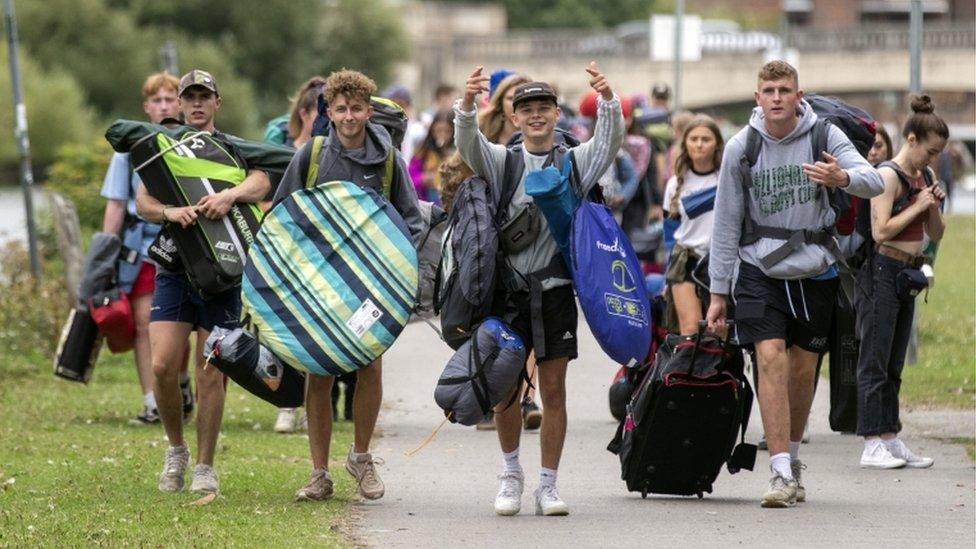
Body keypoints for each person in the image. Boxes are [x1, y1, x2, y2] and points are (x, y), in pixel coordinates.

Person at [706, 60, 883, 508]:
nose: (778, 97)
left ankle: (795, 457)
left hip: (814, 266)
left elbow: (875, 180)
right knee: (769, 358)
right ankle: (780, 470)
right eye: (769, 90)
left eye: (785, 89)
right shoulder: (741, 147)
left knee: (803, 369)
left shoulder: (824, 136)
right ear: (757, 97)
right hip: (757, 267)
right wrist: (718, 292)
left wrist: (841, 177)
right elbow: (726, 223)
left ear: (799, 95)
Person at [455, 62, 624, 516]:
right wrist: (468, 104)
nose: (535, 115)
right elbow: (468, 144)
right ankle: (511, 474)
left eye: (543, 107)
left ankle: (548, 485)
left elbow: (608, 144)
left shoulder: (574, 163)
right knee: (506, 390)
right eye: (525, 108)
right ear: (513, 118)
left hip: (555, 293)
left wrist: (608, 101)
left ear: (556, 114)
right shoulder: (503, 161)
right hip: (506, 294)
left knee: (554, 391)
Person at [273, 69, 423, 502]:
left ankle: (361, 457)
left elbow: (411, 220)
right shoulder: (312, 155)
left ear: (369, 110)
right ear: (330, 112)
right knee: (318, 371)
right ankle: (319, 472)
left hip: (371, 287)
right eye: (341, 109)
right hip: (320, 283)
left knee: (368, 366)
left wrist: (393, 265)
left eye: (357, 108)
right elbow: (284, 214)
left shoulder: (389, 158)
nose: (350, 116)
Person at [136, 69, 272, 495]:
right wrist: (169, 214)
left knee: (211, 371)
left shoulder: (231, 148)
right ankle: (175, 448)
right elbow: (143, 201)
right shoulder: (165, 147)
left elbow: (263, 179)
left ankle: (205, 466)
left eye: (204, 97)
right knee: (162, 365)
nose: (196, 104)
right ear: (178, 104)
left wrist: (228, 196)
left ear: (217, 103)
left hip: (224, 273)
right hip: (175, 268)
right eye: (188, 97)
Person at [855, 95, 948, 470]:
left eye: (937, 153)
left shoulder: (925, 177)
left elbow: (936, 233)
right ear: (911, 140)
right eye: (930, 151)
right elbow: (881, 231)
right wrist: (917, 204)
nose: (933, 159)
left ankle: (890, 437)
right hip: (882, 271)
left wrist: (934, 204)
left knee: (895, 360)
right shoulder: (887, 176)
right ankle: (870, 441)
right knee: (874, 358)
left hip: (909, 273)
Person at [100, 72, 193, 425]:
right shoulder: (129, 149)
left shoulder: (192, 142)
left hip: (182, 241)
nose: (165, 106)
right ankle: (152, 400)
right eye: (158, 100)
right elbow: (115, 204)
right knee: (144, 324)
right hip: (140, 247)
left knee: (177, 322)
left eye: (171, 99)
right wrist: (105, 256)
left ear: (180, 105)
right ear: (147, 107)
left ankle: (179, 382)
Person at [473, 72, 542, 432]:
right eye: (514, 98)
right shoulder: (486, 138)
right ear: (503, 103)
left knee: (531, 324)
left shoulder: (540, 139)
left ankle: (527, 395)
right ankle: (490, 391)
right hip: (489, 235)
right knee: (489, 321)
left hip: (530, 237)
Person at [268, 76, 326, 435]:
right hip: (288, 248)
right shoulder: (282, 152)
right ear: (304, 113)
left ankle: (311, 405)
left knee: (317, 332)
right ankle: (287, 403)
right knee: (286, 332)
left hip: (319, 252)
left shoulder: (329, 151)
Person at [662, 115, 724, 335]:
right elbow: (670, 234)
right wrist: (665, 279)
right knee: (690, 331)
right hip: (685, 261)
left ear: (716, 143)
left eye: (705, 139)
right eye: (694, 138)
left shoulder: (726, 179)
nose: (699, 144)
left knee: (718, 332)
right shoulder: (675, 184)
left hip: (720, 263)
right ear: (685, 143)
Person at [408, 109, 455, 204]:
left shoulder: (457, 154)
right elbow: (409, 179)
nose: (443, 135)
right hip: (427, 205)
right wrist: (422, 179)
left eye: (447, 131)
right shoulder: (422, 153)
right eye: (439, 130)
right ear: (432, 130)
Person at [478, 74, 531, 146]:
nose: (517, 103)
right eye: (511, 98)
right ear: (500, 102)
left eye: (523, 99)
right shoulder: (482, 131)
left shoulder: (545, 134)